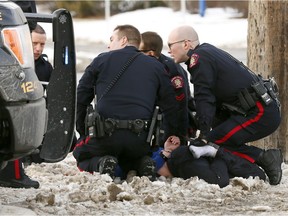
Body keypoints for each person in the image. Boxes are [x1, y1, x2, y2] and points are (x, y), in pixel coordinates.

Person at [167, 25, 283, 185]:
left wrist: (204, 134)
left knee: (213, 142)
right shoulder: (205, 52)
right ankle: (263, 158)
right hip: (257, 110)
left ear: (186, 44)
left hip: (261, 113)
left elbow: (204, 97)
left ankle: (264, 159)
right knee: (218, 139)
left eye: (170, 45)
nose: (168, 51)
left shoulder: (199, 59)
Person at [73, 24, 181, 181]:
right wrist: (167, 137)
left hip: (105, 137)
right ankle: (142, 163)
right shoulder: (156, 66)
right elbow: (171, 106)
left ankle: (102, 163)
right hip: (140, 139)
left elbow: (81, 97)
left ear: (123, 40)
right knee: (134, 154)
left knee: (80, 154)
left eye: (112, 40)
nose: (109, 45)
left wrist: (82, 131)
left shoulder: (101, 60)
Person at [0, 24, 53, 189]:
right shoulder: (13, 64)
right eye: (34, 43)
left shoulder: (45, 67)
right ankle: (15, 174)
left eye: (42, 45)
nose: (38, 49)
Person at [139, 31, 197, 144]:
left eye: (138, 52)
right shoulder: (153, 66)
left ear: (150, 53)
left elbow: (178, 107)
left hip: (170, 130)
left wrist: (174, 137)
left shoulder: (169, 70)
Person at [153, 136, 266, 188]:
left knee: (259, 175)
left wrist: (167, 150)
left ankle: (213, 152)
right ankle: (213, 152)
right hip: (180, 160)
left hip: (183, 159)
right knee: (223, 177)